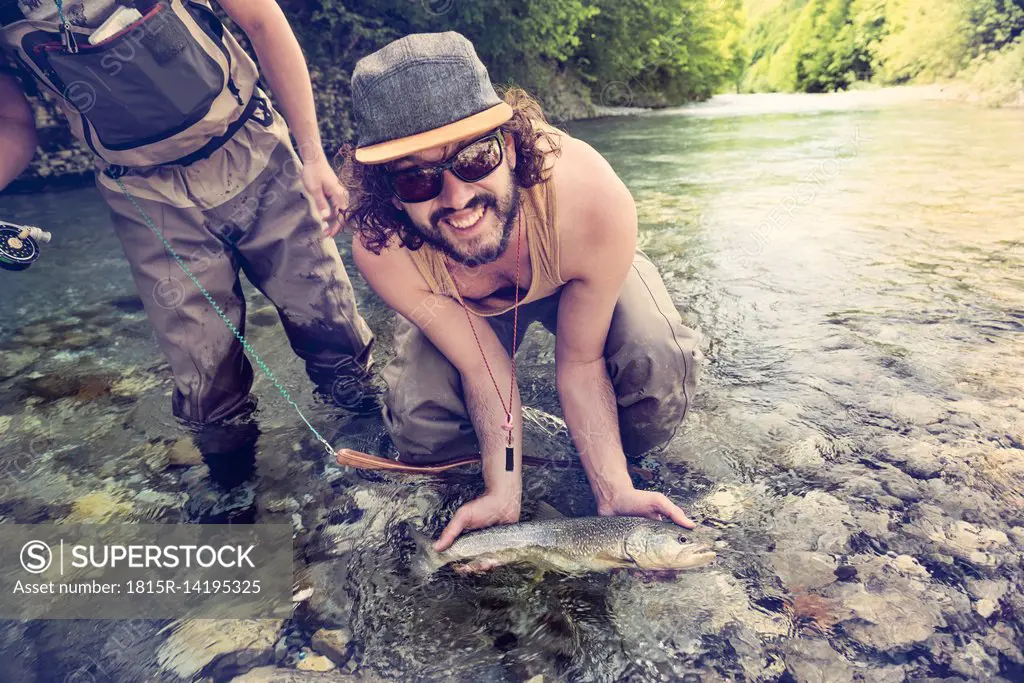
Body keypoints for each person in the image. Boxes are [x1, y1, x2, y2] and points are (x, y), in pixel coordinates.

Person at [0, 0, 377, 505]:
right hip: (145, 193)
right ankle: (234, 495)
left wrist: (313, 155)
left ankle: (375, 455)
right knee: (206, 381)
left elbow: (263, 20)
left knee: (330, 324)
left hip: (255, 151)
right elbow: (11, 123)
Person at [339, 32, 702, 550]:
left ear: (508, 147)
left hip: (574, 266)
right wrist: (503, 492)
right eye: (417, 181)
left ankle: (621, 464)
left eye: (474, 159)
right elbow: (485, 369)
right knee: (423, 426)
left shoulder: (590, 200)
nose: (457, 198)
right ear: (389, 195)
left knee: (655, 364)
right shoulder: (383, 252)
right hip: (461, 303)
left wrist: (613, 489)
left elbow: (579, 363)